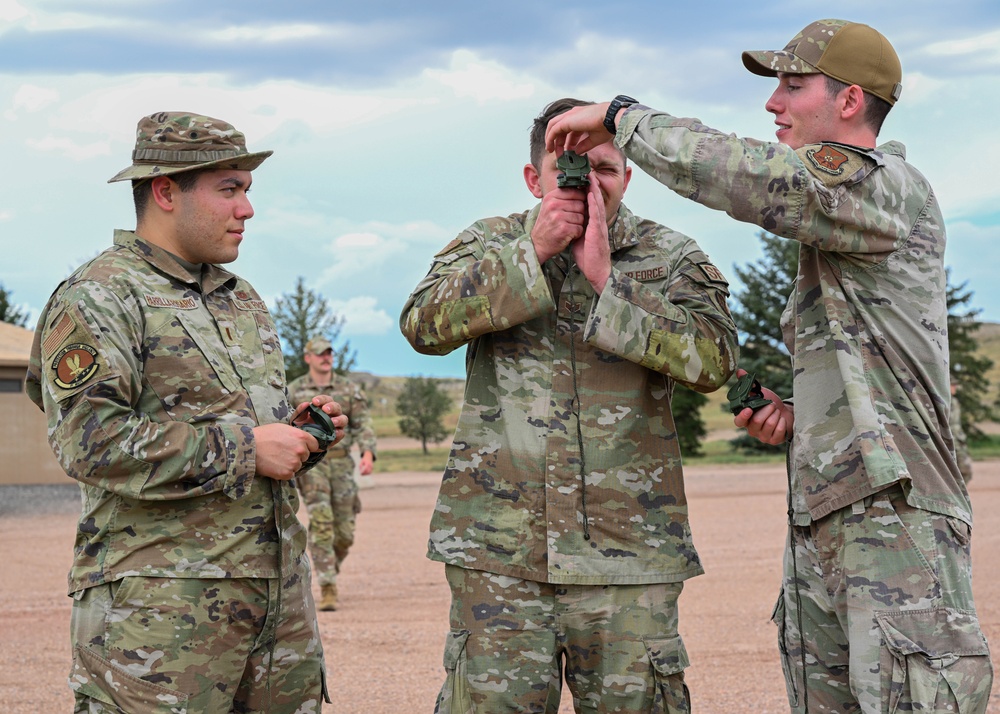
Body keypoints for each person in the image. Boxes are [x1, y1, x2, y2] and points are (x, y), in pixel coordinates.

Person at [546, 18, 994, 714]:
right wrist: (801, 421)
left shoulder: (881, 188)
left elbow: (752, 178)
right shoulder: (843, 215)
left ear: (849, 101)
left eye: (792, 85)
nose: (773, 103)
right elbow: (864, 370)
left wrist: (620, 116)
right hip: (833, 508)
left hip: (896, 516)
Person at [400, 97, 738, 713]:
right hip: (500, 555)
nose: (590, 184)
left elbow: (713, 362)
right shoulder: (489, 243)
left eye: (605, 169)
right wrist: (531, 253)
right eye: (570, 170)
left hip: (628, 559)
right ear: (535, 179)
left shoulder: (672, 258)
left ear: (629, 175)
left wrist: (612, 285)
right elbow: (423, 326)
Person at [25, 111, 346, 713]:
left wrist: (300, 434)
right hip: (162, 615)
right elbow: (88, 441)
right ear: (166, 191)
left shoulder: (239, 298)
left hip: (276, 603)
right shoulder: (102, 294)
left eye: (247, 191)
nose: (246, 209)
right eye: (229, 189)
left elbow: (248, 432)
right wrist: (248, 448)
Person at [288, 336, 377, 611]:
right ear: (308, 357)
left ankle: (330, 568)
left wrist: (367, 453)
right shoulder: (295, 390)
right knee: (322, 522)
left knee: (345, 532)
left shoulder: (348, 389)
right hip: (314, 466)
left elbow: (363, 424)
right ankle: (327, 586)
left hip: (342, 466)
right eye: (319, 354)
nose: (325, 358)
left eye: (329, 353)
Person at [951, 380, 974, 482]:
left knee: (965, 472)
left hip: (958, 440)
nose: (955, 387)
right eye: (953, 384)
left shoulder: (954, 401)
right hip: (949, 441)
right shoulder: (942, 400)